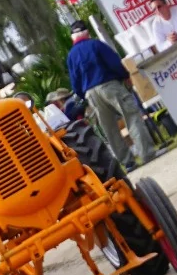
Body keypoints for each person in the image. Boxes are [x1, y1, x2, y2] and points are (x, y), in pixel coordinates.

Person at [65, 20, 156, 168]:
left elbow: (75, 82)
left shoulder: (71, 55)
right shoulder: (96, 44)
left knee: (109, 129)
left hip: (91, 93)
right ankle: (147, 154)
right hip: (109, 85)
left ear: (72, 38)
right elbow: (114, 63)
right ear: (87, 33)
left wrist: (84, 96)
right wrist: (125, 76)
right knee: (131, 117)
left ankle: (127, 163)